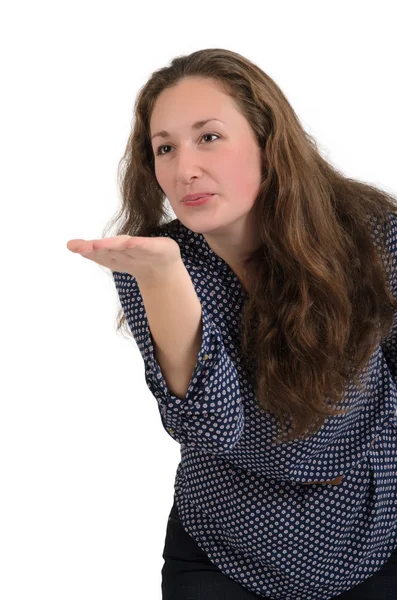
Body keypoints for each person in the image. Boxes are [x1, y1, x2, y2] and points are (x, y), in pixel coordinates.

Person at [68, 48, 397, 599]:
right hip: (223, 549)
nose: (184, 168)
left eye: (209, 138)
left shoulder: (370, 234)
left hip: (371, 535)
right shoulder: (153, 263)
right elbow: (212, 428)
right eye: (164, 148)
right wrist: (167, 278)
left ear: (269, 142)